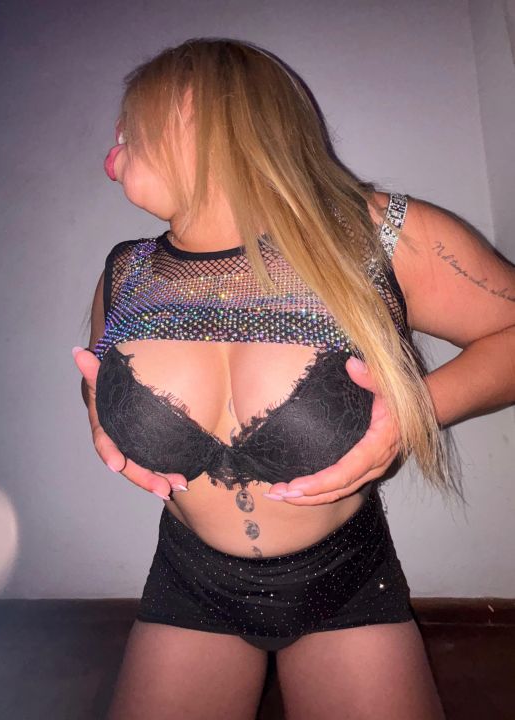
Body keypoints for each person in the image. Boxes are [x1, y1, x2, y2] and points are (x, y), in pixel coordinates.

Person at [73, 38, 515, 720]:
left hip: (344, 578)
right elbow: (98, 375)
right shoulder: (127, 272)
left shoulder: (374, 236)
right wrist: (102, 413)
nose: (117, 140)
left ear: (221, 116)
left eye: (137, 120)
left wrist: (414, 410)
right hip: (189, 577)